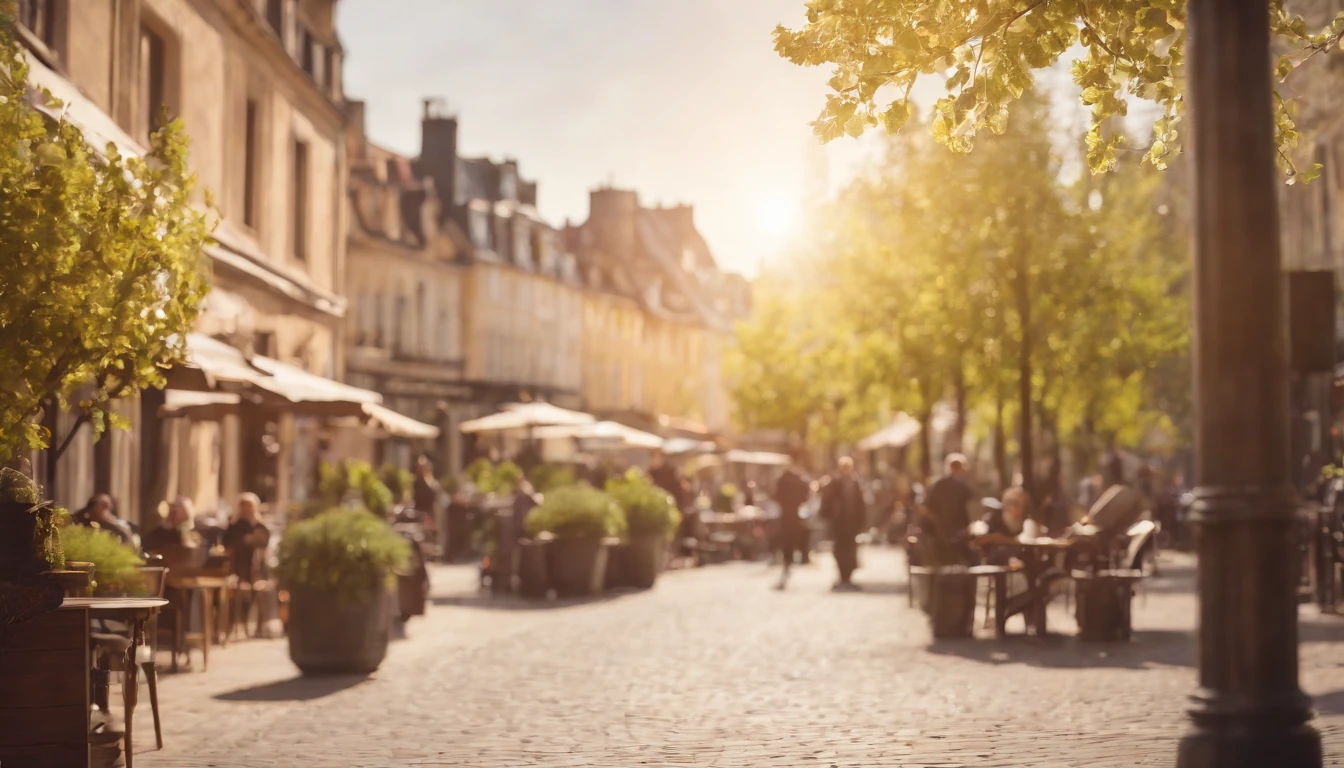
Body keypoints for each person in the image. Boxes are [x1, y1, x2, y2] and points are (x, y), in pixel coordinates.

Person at [819, 456, 866, 590]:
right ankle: (842, 576)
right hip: (838, 523)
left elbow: (860, 504)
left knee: (851, 549)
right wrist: (827, 516)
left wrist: (862, 521)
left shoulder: (855, 482)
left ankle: (848, 576)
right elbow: (827, 500)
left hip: (852, 522)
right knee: (840, 549)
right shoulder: (834, 482)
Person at [924, 453, 977, 564]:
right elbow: (972, 506)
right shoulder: (963, 485)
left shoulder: (938, 484)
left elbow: (928, 507)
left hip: (942, 530)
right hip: (959, 529)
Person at [773, 457, 812, 588]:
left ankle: (788, 559)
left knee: (786, 538)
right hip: (796, 512)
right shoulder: (799, 479)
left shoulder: (781, 480)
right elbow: (806, 495)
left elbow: (776, 495)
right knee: (798, 535)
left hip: (785, 513)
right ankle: (800, 556)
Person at [222, 492, 270, 582]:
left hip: (255, 561)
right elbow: (227, 541)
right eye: (243, 505)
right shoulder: (235, 524)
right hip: (237, 560)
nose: (246, 508)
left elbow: (264, 542)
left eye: (249, 505)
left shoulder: (259, 525)